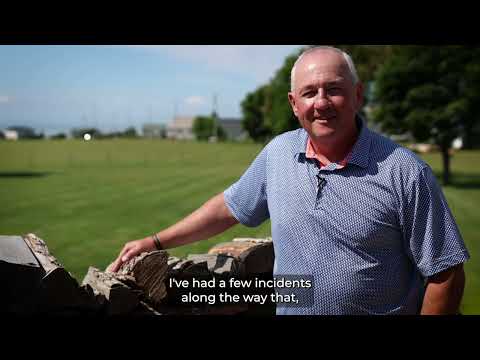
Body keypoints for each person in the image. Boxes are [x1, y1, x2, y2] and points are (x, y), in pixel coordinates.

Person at [108, 46, 469, 315]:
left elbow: (446, 273)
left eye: (334, 89)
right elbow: (228, 207)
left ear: (358, 95)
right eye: (310, 93)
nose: (322, 102)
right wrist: (154, 242)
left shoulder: (405, 171)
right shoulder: (278, 153)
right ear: (295, 104)